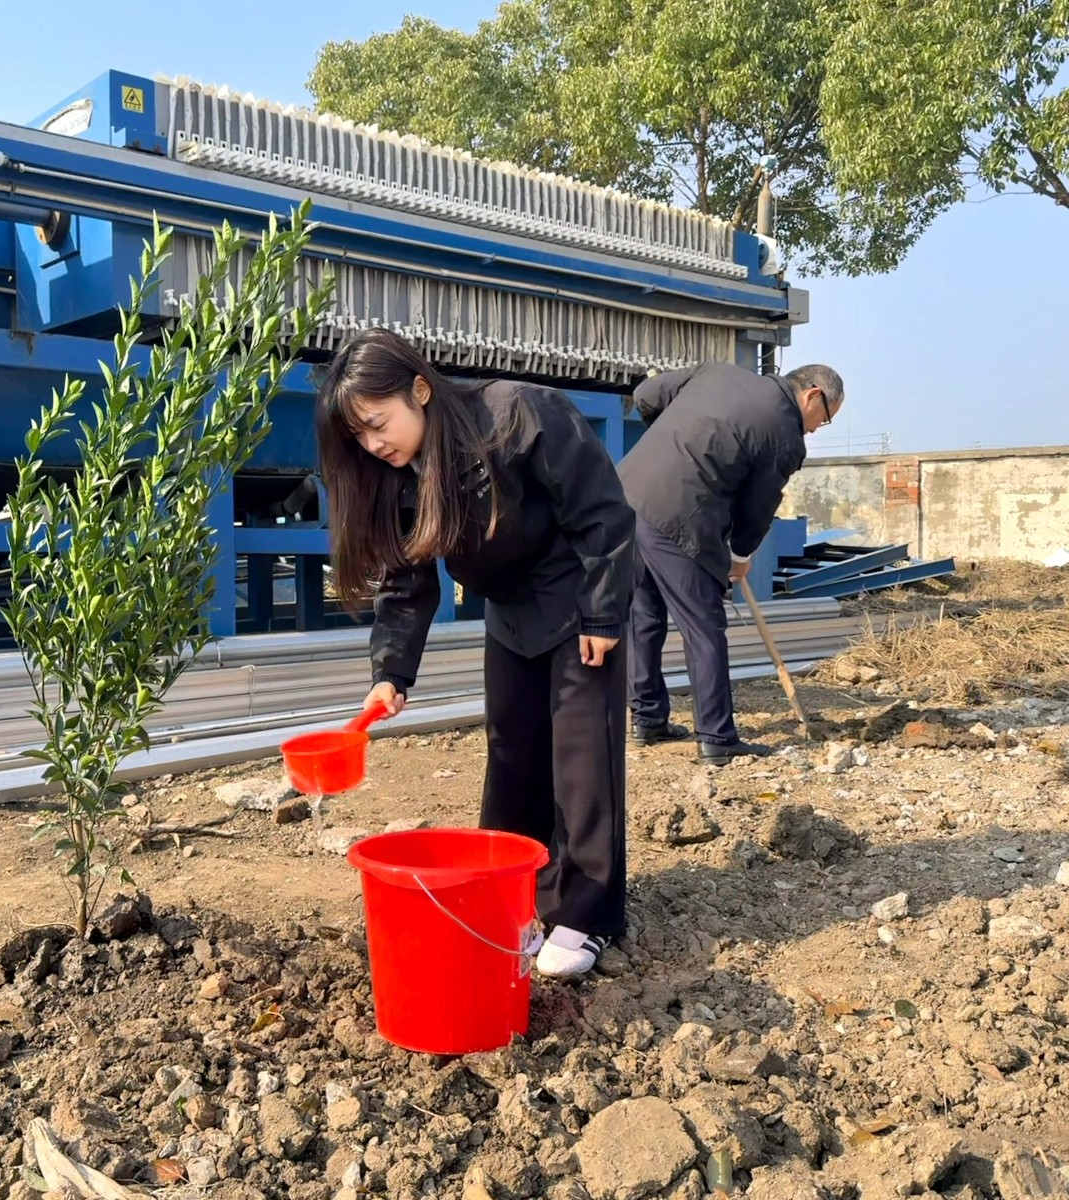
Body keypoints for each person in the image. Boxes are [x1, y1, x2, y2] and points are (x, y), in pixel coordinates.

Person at [315, 329, 634, 979]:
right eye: (359, 437)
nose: (373, 445)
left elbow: (601, 510)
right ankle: (516, 890)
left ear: (420, 390)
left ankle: (589, 913)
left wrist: (604, 610)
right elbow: (406, 582)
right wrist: (391, 671)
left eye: (378, 424)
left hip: (576, 596)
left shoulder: (517, 415)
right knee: (512, 754)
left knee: (582, 758)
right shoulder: (397, 477)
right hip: (510, 611)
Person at [617, 360, 844, 766]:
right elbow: (756, 511)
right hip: (680, 515)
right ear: (813, 395)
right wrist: (739, 558)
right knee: (704, 626)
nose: (815, 429)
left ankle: (647, 719)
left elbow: (646, 395)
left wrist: (675, 442)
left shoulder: (718, 373)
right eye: (823, 419)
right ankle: (717, 738)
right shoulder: (784, 436)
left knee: (643, 615)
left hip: (625, 496)